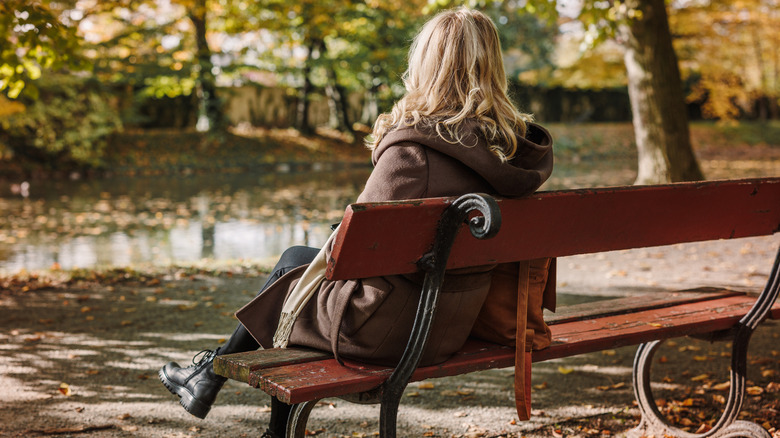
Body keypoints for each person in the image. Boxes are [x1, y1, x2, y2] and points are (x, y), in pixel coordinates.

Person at [159, 7, 554, 437]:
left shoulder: (412, 152)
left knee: (293, 273)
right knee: (295, 263)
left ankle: (215, 378)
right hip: (453, 324)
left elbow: (351, 250)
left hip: (389, 331)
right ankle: (210, 376)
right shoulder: (512, 153)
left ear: (425, 65)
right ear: (492, 68)